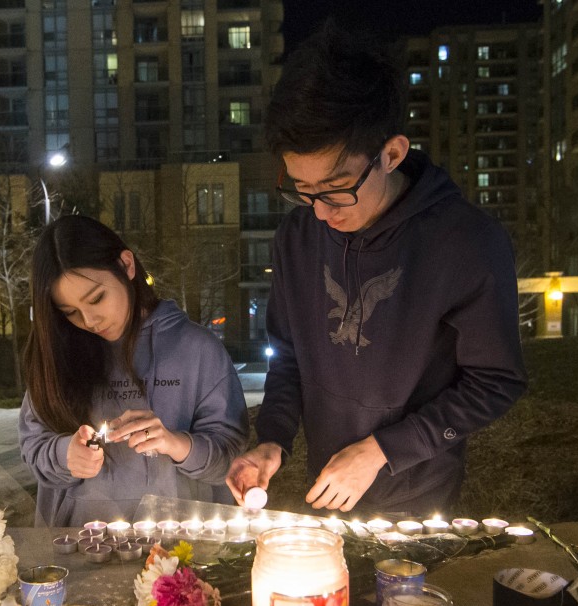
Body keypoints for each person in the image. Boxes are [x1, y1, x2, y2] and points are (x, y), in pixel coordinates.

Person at [226, 26, 527, 516]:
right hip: (326, 486)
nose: (320, 212)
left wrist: (383, 450)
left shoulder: (466, 241)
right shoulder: (298, 238)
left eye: (336, 188)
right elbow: (288, 356)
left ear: (391, 154)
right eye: (302, 189)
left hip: (417, 492)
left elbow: (496, 381)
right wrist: (273, 440)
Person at [19, 214, 249, 527]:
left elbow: (230, 458)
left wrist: (175, 443)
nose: (89, 320)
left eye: (97, 298)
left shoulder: (197, 348)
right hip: (84, 542)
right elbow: (34, 449)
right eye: (70, 312)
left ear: (127, 265)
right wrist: (65, 455)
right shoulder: (58, 354)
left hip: (182, 542)